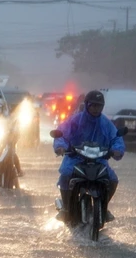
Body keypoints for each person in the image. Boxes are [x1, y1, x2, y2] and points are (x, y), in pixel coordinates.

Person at [53, 90, 125, 222]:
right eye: (93, 105)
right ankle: (67, 209)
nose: (96, 109)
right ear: (87, 105)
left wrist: (116, 150)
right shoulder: (75, 120)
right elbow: (62, 133)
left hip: (98, 160)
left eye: (99, 106)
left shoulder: (105, 123)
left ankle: (103, 207)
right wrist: (61, 147)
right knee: (65, 176)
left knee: (112, 180)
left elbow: (116, 138)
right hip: (76, 159)